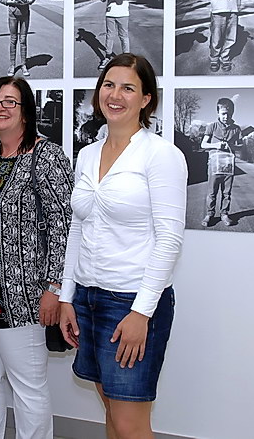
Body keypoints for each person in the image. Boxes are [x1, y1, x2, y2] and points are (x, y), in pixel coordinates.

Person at [59, 53, 187, 439]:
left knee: (131, 426)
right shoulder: (87, 154)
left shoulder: (161, 155)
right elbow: (78, 228)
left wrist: (141, 313)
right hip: (88, 298)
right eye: (109, 85)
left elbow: (169, 239)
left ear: (146, 99)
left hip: (131, 303)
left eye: (128, 88)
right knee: (113, 415)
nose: (115, 95)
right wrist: (67, 297)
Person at [0, 76, 74, 439]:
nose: (0, 107)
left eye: (10, 101)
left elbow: (65, 227)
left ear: (26, 112)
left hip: (25, 296)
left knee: (28, 386)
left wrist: (55, 288)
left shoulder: (47, 156)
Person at [200, 97, 243, 227]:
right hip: (214, 165)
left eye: (229, 114)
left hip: (229, 165)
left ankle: (224, 214)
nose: (226, 116)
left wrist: (231, 145)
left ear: (232, 113)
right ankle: (210, 214)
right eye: (223, 113)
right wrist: (216, 145)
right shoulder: (212, 126)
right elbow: (203, 144)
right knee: (212, 192)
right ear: (218, 112)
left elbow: (241, 146)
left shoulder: (236, 129)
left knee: (226, 192)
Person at [1, 0, 36, 77]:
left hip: (25, 13)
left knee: (23, 40)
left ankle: (23, 65)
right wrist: (11, 1)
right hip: (13, 13)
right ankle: (12, 65)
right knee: (13, 39)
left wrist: (29, 1)